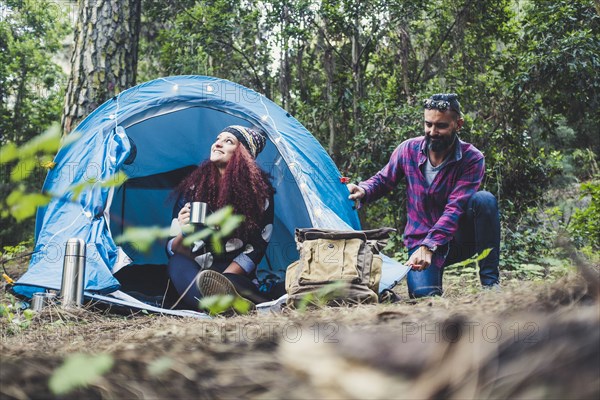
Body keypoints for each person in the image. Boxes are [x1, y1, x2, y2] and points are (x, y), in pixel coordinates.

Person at [347, 93, 500, 298]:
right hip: (420, 239)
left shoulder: (472, 159)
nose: (433, 131)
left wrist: (431, 244)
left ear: (458, 124)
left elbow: (455, 207)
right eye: (428, 124)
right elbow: (384, 179)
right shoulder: (408, 149)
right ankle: (428, 279)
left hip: (458, 238)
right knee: (423, 296)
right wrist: (364, 190)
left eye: (441, 126)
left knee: (484, 200)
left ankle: (491, 286)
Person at [166, 125, 279, 309]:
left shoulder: (260, 195)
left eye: (228, 141)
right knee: (176, 263)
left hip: (233, 274)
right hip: (195, 272)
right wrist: (185, 233)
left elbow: (255, 250)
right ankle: (227, 305)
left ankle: (218, 301)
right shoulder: (193, 188)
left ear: (243, 155)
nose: (217, 144)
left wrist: (221, 282)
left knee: (233, 282)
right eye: (217, 139)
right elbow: (173, 248)